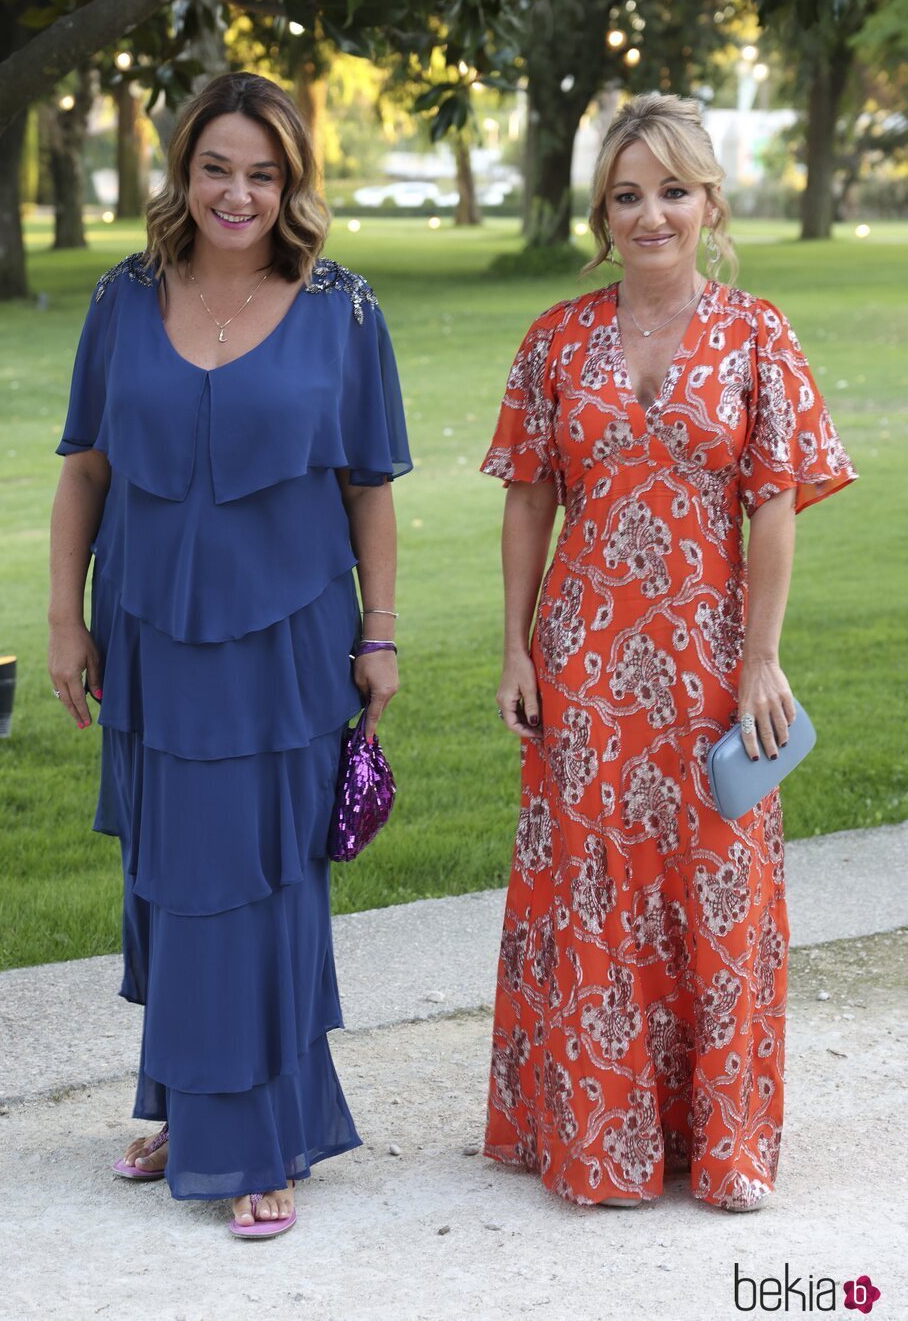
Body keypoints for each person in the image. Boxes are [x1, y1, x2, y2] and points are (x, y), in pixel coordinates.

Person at [48, 71, 410, 1237]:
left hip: (289, 647)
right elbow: (85, 473)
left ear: (292, 183)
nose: (237, 192)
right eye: (217, 167)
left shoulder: (343, 310)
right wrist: (67, 618)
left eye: (263, 172)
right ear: (183, 172)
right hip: (151, 639)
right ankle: (187, 1104)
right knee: (174, 881)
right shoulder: (122, 299)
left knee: (262, 888)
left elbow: (368, 491)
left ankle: (259, 1138)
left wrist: (380, 632)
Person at [480, 93, 855, 1213]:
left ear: (709, 203)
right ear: (601, 210)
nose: (651, 214)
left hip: (707, 661)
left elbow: (773, 503)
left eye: (672, 191)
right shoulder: (555, 336)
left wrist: (761, 658)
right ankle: (600, 1145)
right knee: (591, 888)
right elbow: (528, 501)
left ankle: (720, 1145)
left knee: (717, 881)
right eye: (627, 194)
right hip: (583, 662)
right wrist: (514, 648)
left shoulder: (755, 334)